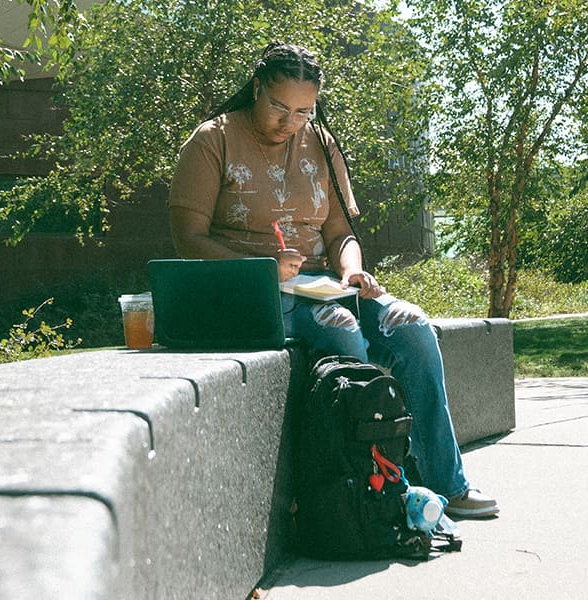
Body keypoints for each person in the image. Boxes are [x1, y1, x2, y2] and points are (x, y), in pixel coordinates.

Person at [167, 43, 498, 519]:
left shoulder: (321, 143)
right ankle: (366, 492)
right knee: (341, 329)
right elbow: (188, 238)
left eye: (303, 111)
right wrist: (262, 264)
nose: (290, 122)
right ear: (256, 88)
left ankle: (448, 482)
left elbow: (341, 233)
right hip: (251, 290)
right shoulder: (211, 140)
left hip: (323, 283)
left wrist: (352, 269)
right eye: (280, 107)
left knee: (414, 326)